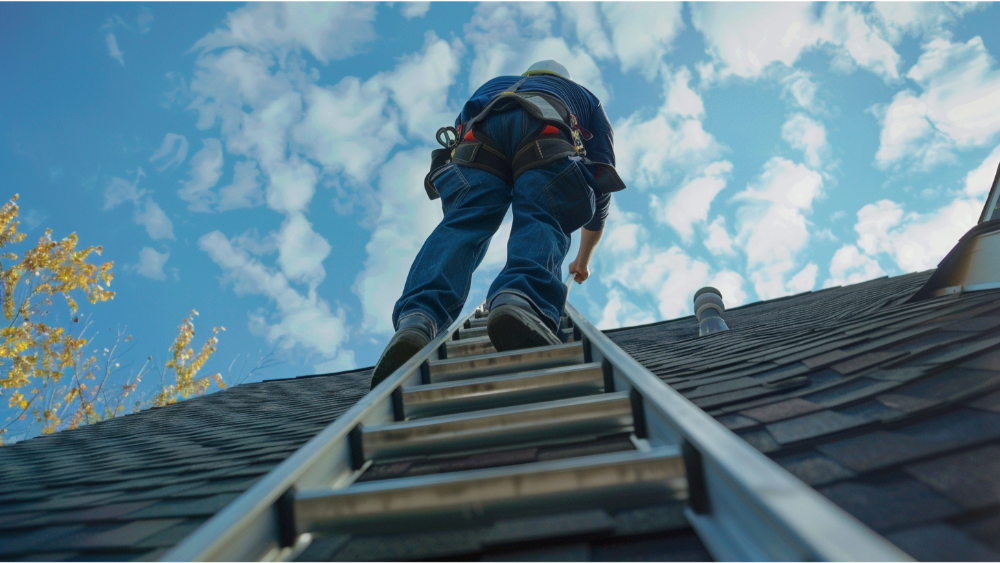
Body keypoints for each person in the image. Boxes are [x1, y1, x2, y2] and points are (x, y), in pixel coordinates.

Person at [370, 60, 625, 389]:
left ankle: (418, 320)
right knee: (544, 210)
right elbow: (600, 173)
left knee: (462, 225)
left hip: (477, 144)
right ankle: (521, 300)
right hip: (546, 137)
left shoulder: (495, 85)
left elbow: (460, 132)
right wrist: (583, 260)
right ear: (563, 79)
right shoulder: (584, 97)